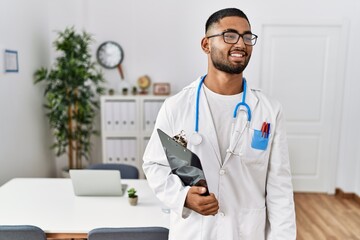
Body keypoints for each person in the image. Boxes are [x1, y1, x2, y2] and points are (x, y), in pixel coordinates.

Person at [143, 7, 296, 240]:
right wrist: (183, 198)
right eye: (230, 35)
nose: (241, 44)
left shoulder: (268, 110)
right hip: (195, 231)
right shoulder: (176, 106)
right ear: (206, 45)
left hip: (246, 232)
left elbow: (280, 188)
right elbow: (154, 164)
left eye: (247, 37)